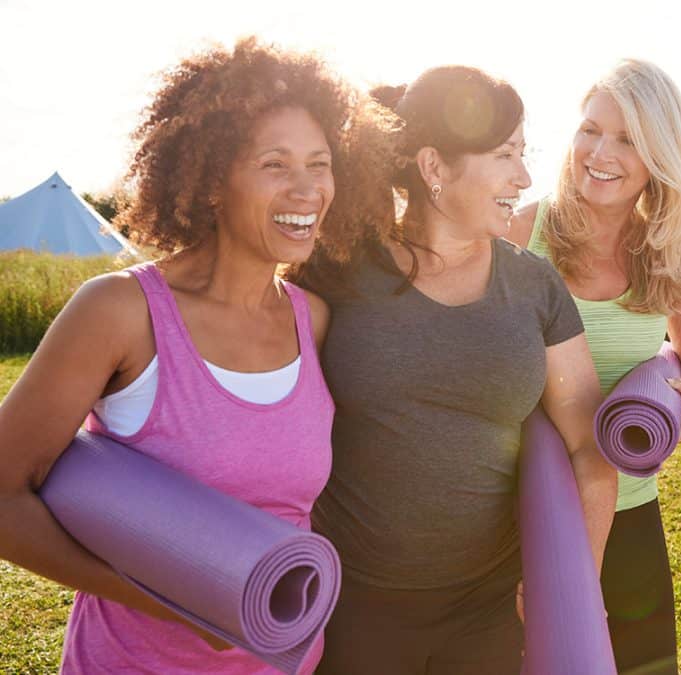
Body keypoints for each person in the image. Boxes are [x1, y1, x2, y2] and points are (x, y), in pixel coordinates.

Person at [0, 38, 394, 674]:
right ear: (213, 180)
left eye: (319, 164)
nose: (307, 189)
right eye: (275, 164)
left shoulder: (312, 320)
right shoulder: (119, 312)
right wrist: (177, 601)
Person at [302, 65, 618, 675]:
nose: (524, 177)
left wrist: (576, 589)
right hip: (350, 600)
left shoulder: (533, 284)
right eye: (505, 155)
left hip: (489, 608)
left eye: (524, 155)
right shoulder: (338, 270)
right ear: (433, 168)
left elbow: (589, 448)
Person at [507, 58, 681, 675]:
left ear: (660, 155)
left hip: (628, 512)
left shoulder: (669, 251)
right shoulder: (524, 231)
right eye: (590, 128)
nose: (599, 151)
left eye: (627, 139)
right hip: (520, 513)